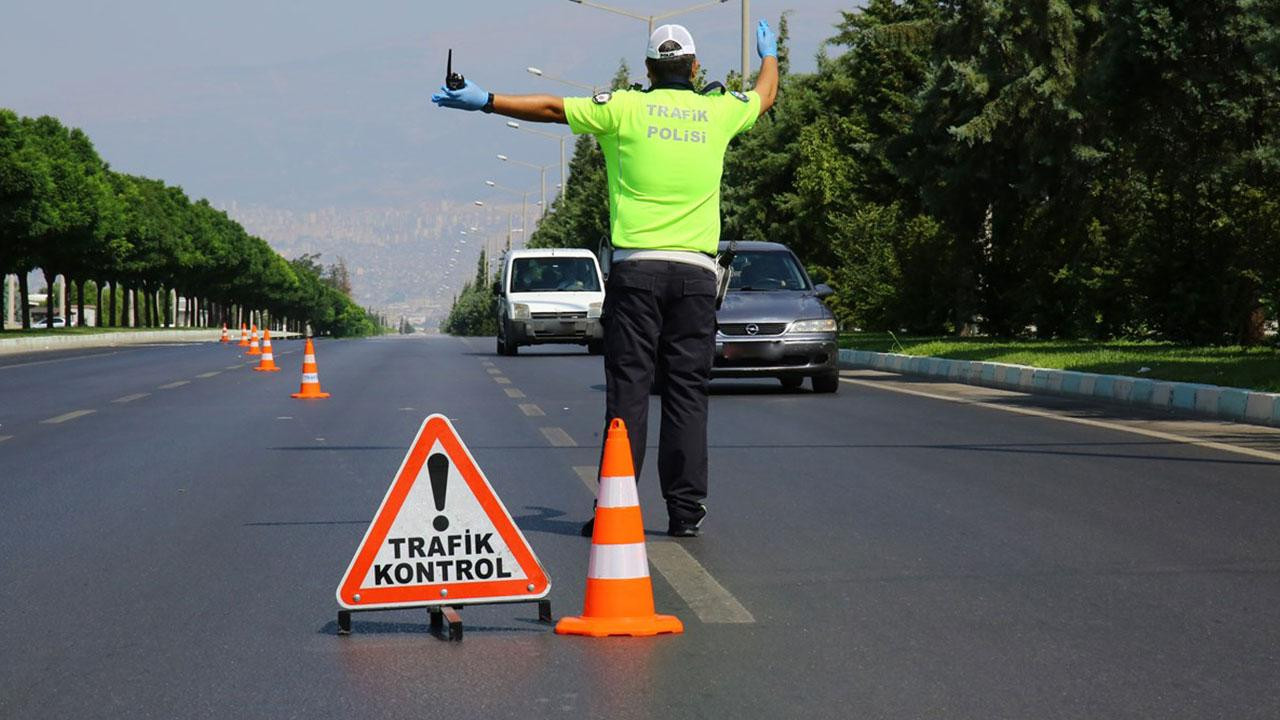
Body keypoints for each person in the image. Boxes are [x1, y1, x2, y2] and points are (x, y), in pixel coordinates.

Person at [433, 20, 779, 537]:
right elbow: (764, 96)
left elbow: (552, 109)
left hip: (636, 273)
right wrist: (769, 55)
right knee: (687, 394)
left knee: (629, 393)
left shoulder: (623, 108)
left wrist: (486, 101)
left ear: (647, 69)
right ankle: (685, 513)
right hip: (695, 277)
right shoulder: (718, 112)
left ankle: (616, 507)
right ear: (695, 67)